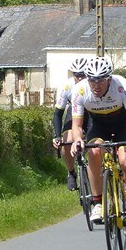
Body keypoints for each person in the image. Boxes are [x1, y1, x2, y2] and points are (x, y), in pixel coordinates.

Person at [69, 57, 126, 230]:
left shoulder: (121, 85)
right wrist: (77, 139)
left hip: (122, 124)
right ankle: (97, 202)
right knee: (94, 152)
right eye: (92, 80)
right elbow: (77, 125)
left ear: (109, 79)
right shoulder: (80, 90)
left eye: (100, 81)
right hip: (98, 125)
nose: (96, 85)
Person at [52, 57, 88, 190]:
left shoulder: (93, 83)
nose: (80, 78)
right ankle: (71, 172)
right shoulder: (67, 86)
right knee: (67, 141)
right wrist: (57, 136)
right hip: (73, 113)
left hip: (91, 113)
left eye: (83, 75)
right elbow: (58, 113)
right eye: (77, 75)